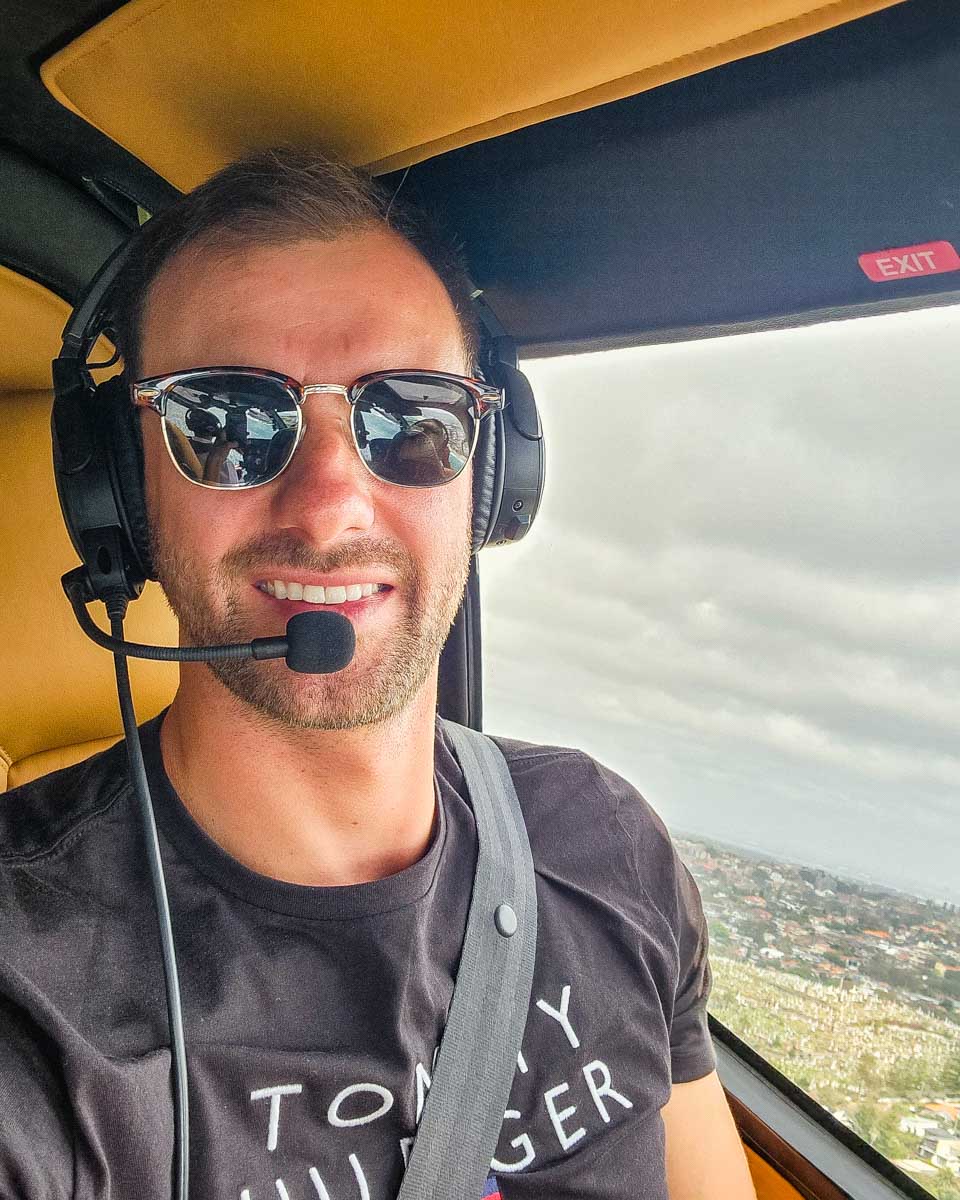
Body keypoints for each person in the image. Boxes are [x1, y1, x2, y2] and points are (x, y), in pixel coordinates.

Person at [0, 148, 756, 1200]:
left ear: (492, 479)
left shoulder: (605, 841)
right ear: (122, 491)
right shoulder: (29, 987)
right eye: (224, 423)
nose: (329, 505)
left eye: (412, 418)